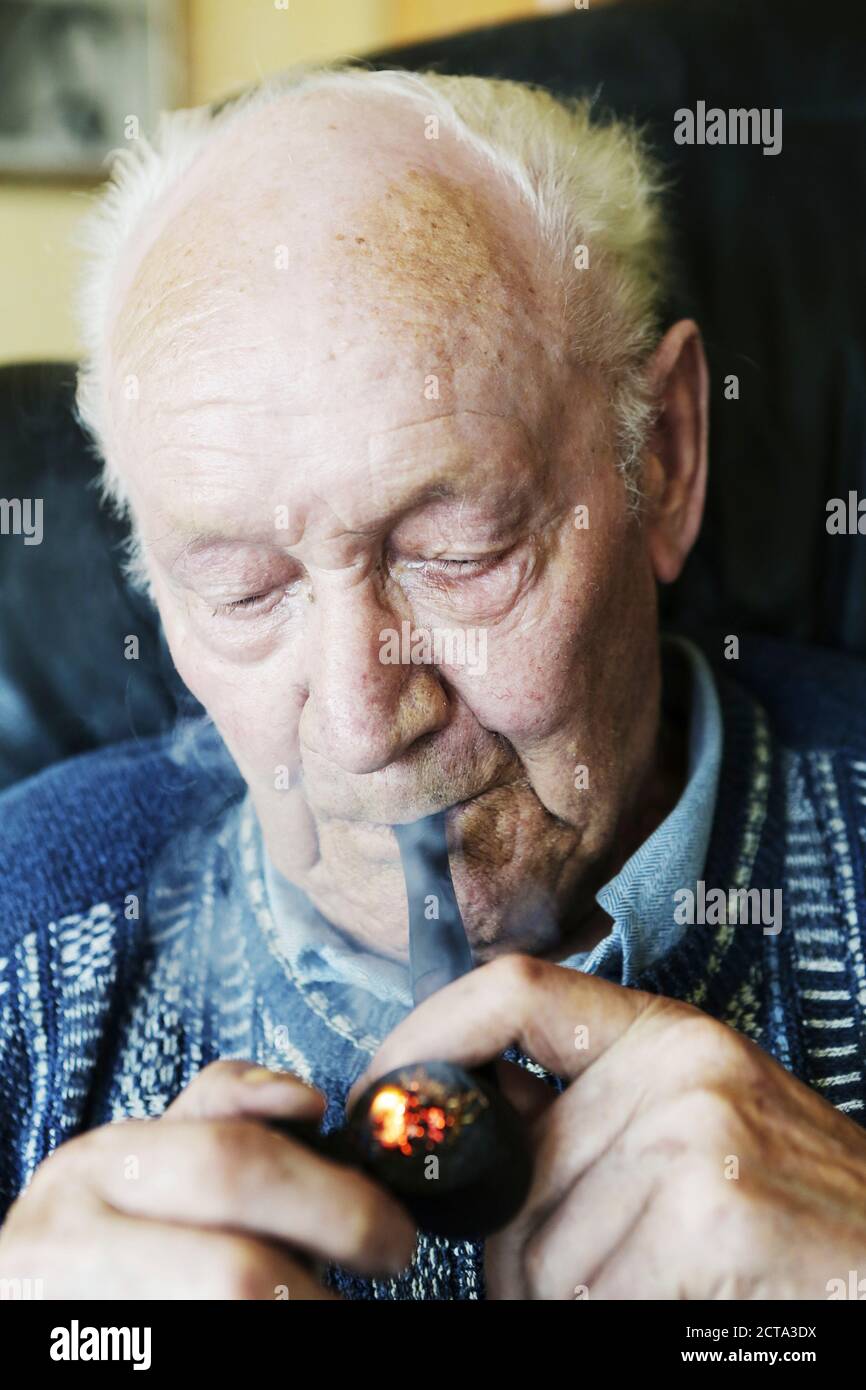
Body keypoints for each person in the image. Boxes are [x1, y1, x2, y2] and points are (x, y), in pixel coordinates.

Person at [1, 64, 864, 1301]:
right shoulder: (18, 942)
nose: (361, 723)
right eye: (245, 588)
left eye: (458, 555)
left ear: (663, 457)